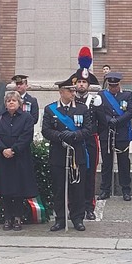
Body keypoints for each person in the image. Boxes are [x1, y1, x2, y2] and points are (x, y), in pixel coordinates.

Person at [42, 75, 92, 231]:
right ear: (61, 92)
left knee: (77, 187)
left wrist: (75, 135)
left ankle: (77, 218)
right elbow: (46, 130)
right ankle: (60, 219)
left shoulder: (82, 108)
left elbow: (88, 129)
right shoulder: (51, 110)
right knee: (59, 188)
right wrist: (59, 136)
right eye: (70, 91)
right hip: (58, 153)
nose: (73, 93)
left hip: (77, 153)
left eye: (74, 90)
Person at [0, 91, 38, 231]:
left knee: (18, 189)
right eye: (8, 100)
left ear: (19, 103)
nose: (11, 102)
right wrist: (2, 149)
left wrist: (14, 150)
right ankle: (7, 218)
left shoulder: (26, 118)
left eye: (14, 100)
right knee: (5, 189)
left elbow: (27, 135)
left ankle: (17, 218)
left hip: (20, 158)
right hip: (2, 158)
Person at [73, 47, 107, 220]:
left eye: (84, 83)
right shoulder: (71, 101)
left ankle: (89, 206)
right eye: (79, 82)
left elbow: (103, 123)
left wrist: (92, 134)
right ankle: (76, 205)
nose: (81, 85)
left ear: (88, 85)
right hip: (74, 141)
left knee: (90, 174)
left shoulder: (95, 100)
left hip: (91, 141)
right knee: (75, 173)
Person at [97, 72, 132, 201]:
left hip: (122, 132)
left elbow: (130, 111)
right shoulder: (101, 95)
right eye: (111, 85)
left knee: (124, 162)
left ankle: (126, 190)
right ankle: (105, 190)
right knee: (106, 163)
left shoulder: (127, 94)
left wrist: (118, 121)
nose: (114, 88)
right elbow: (99, 111)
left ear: (119, 84)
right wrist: (108, 120)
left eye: (116, 85)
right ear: (108, 84)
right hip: (106, 132)